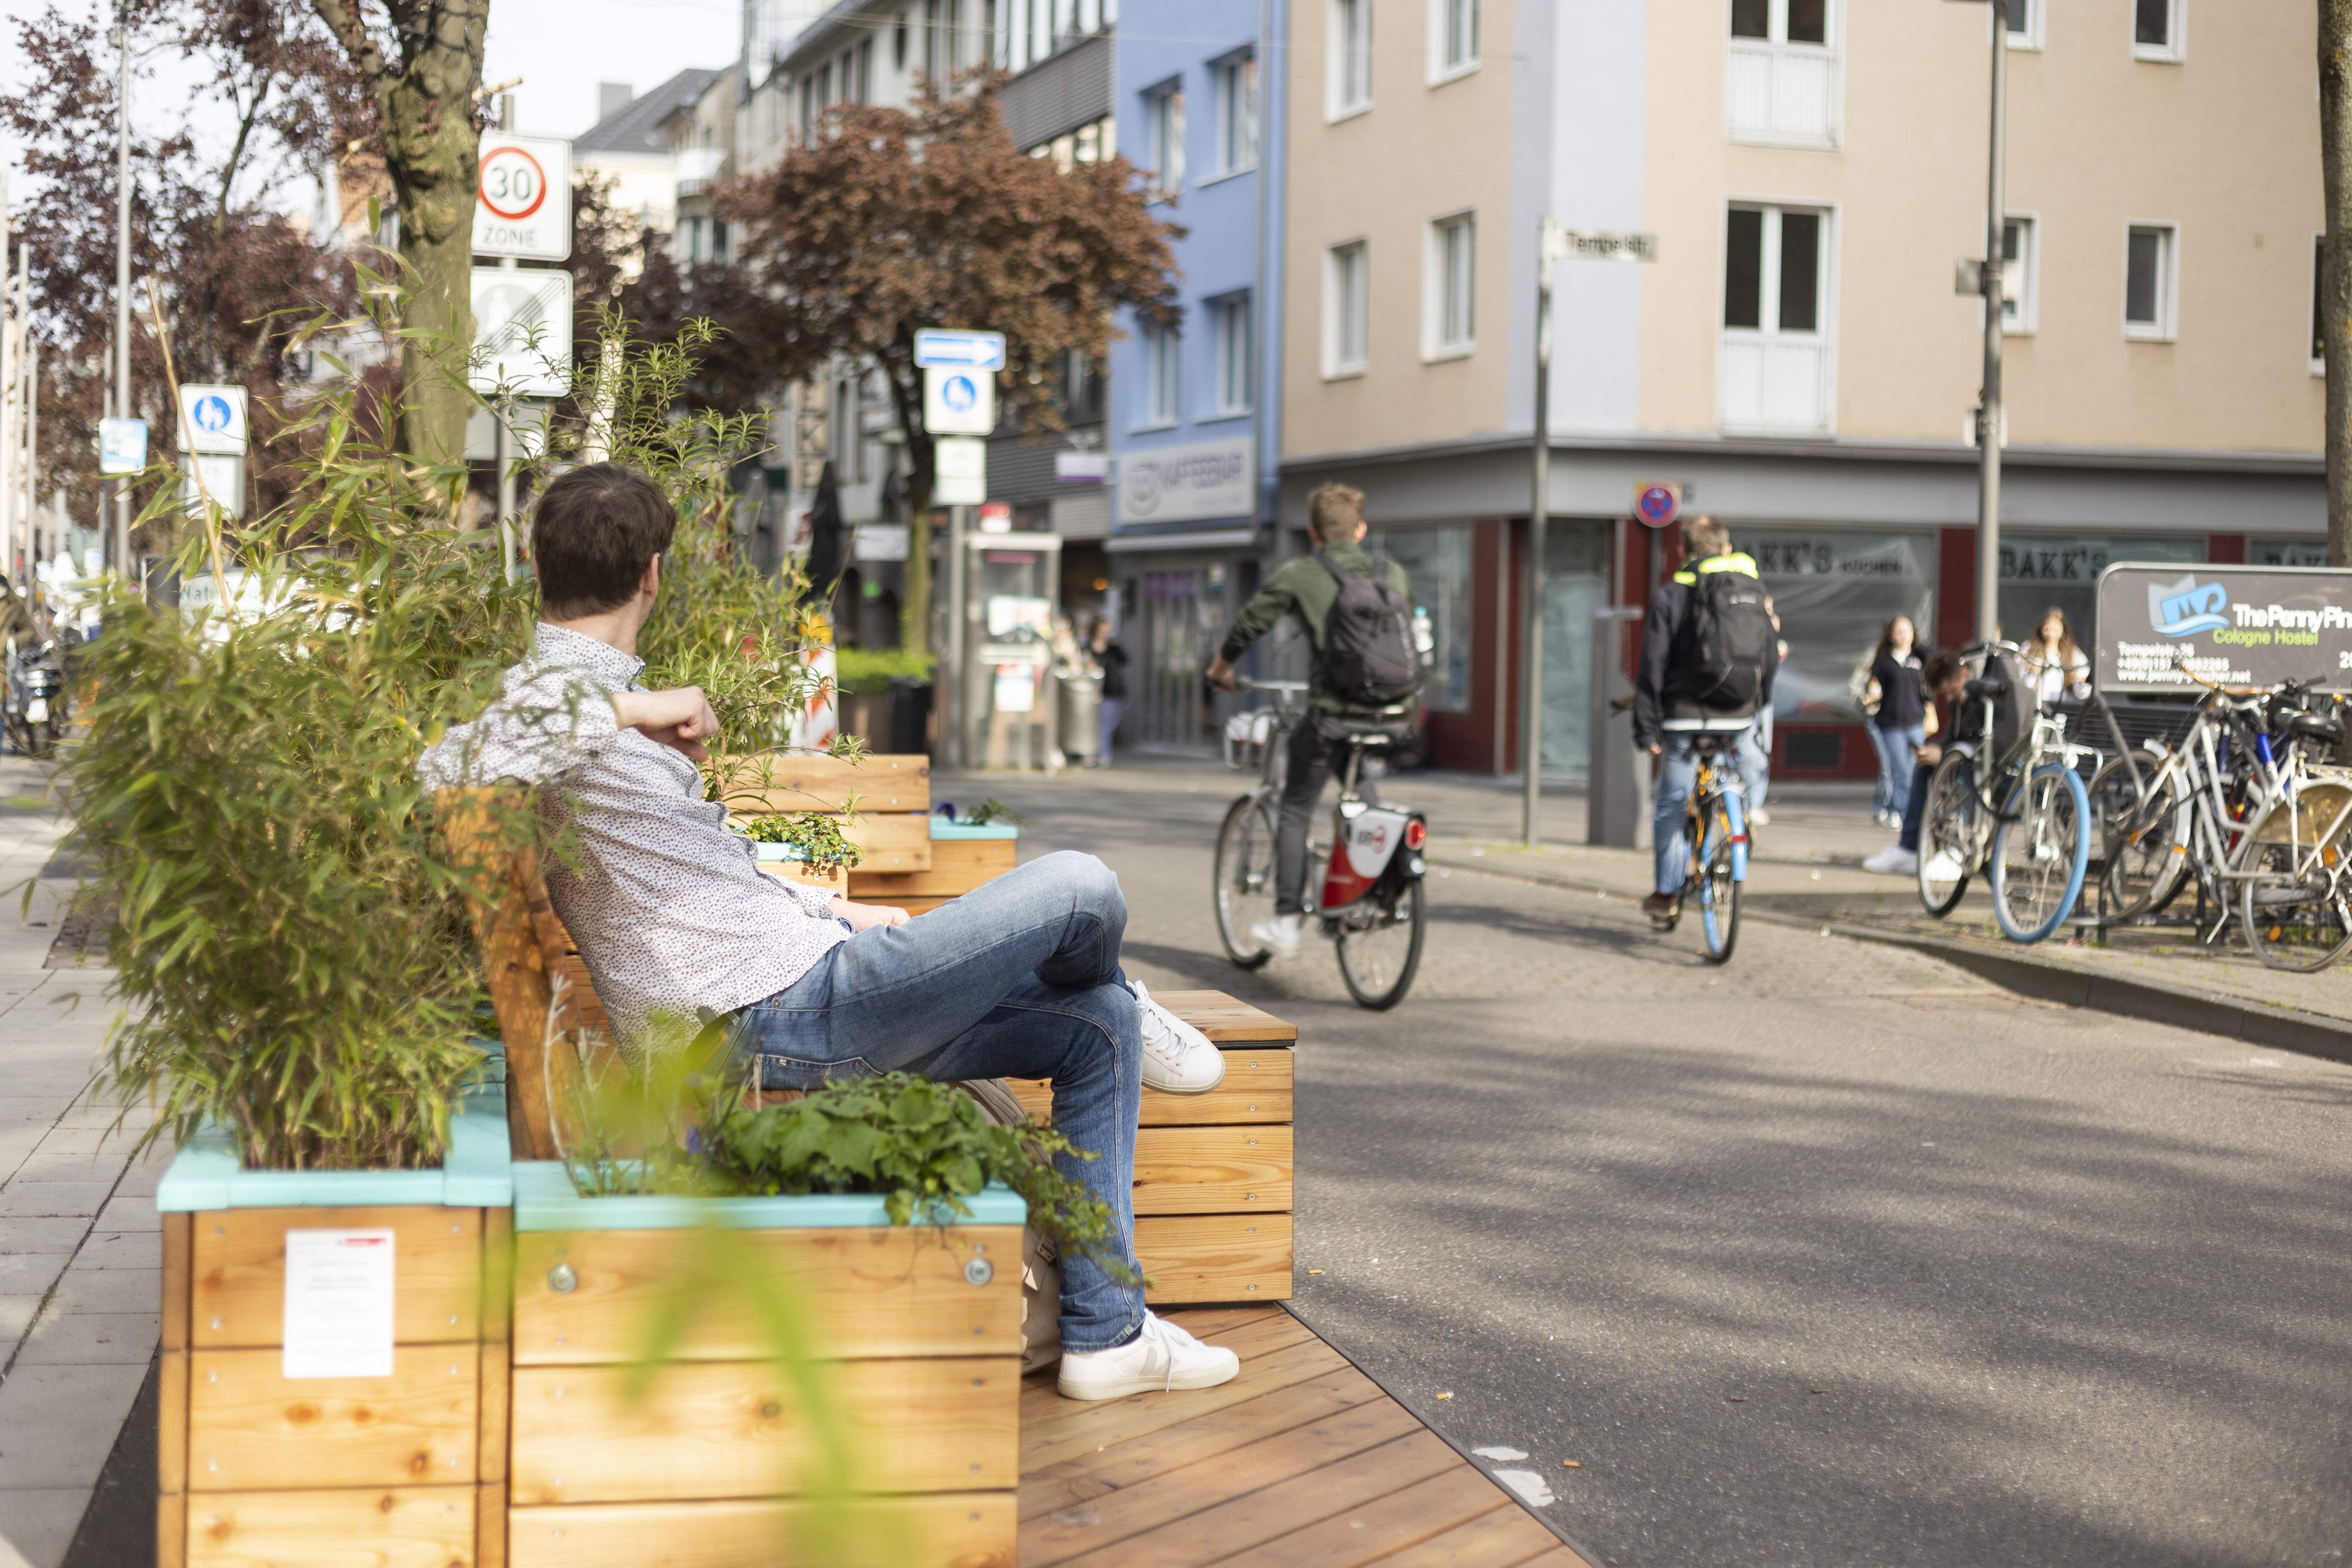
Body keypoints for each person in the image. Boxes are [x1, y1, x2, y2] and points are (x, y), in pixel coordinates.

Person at [419, 463, 1240, 1403]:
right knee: (1082, 885)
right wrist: (634, 708)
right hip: (759, 1028)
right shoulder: (554, 699)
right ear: (654, 573)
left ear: (535, 560)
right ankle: (1130, 991)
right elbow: (444, 763)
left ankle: (1108, 1336)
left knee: (1091, 1025)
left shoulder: (570, 702)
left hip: (804, 984)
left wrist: (837, 909)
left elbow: (705, 885)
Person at [1204, 480, 1415, 959]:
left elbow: (1250, 623)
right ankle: (1373, 886)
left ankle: (1286, 922)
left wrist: (1222, 670)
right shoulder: (1393, 573)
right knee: (1362, 798)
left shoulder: (1303, 571)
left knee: (1296, 806)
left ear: (1315, 534)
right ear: (1361, 529)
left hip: (1334, 716)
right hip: (1393, 715)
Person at [1632, 514, 1779, 921]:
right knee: (1744, 768)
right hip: (1738, 715)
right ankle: (1740, 825)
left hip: (1684, 718)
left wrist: (1646, 727)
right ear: (1727, 548)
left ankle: (1666, 894)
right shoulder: (1751, 590)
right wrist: (1757, 701)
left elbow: (1652, 666)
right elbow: (1768, 655)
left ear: (1683, 551)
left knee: (1672, 806)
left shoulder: (1671, 595)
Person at [1862, 650, 1970, 876]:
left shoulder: (1985, 697)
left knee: (1955, 776)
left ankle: (1955, 850)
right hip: (1963, 758)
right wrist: (1938, 749)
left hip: (1981, 766)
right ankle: (1910, 847)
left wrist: (1944, 754)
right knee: (1923, 767)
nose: (1949, 699)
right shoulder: (1959, 701)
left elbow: (1989, 743)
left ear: (1965, 675)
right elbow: (1954, 737)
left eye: (1951, 691)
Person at [1867, 616, 1926, 829]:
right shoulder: (1883, 661)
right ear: (1891, 635)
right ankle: (1902, 813)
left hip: (1916, 723)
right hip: (1891, 724)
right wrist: (1871, 694)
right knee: (1900, 771)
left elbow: (1939, 663)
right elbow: (1872, 686)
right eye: (1899, 631)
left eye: (1908, 630)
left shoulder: (1919, 657)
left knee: (1914, 770)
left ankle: (1903, 810)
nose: (1903, 635)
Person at [2021, 606, 2089, 706]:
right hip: (2037, 706)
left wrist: (2081, 683)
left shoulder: (2074, 654)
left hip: (2063, 708)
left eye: (2055, 628)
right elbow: (2021, 684)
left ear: (2063, 630)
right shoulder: (2029, 649)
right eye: (2048, 628)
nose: (2051, 632)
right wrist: (2031, 673)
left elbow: (2083, 691)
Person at [1087, 616, 1128, 769]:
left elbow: (1125, 660)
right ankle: (1097, 754)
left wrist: (1116, 646)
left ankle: (1102, 754)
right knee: (1095, 724)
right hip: (1093, 691)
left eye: (1108, 631)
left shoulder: (1113, 648)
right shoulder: (1089, 647)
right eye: (1103, 630)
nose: (1106, 634)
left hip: (1112, 690)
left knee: (1109, 724)